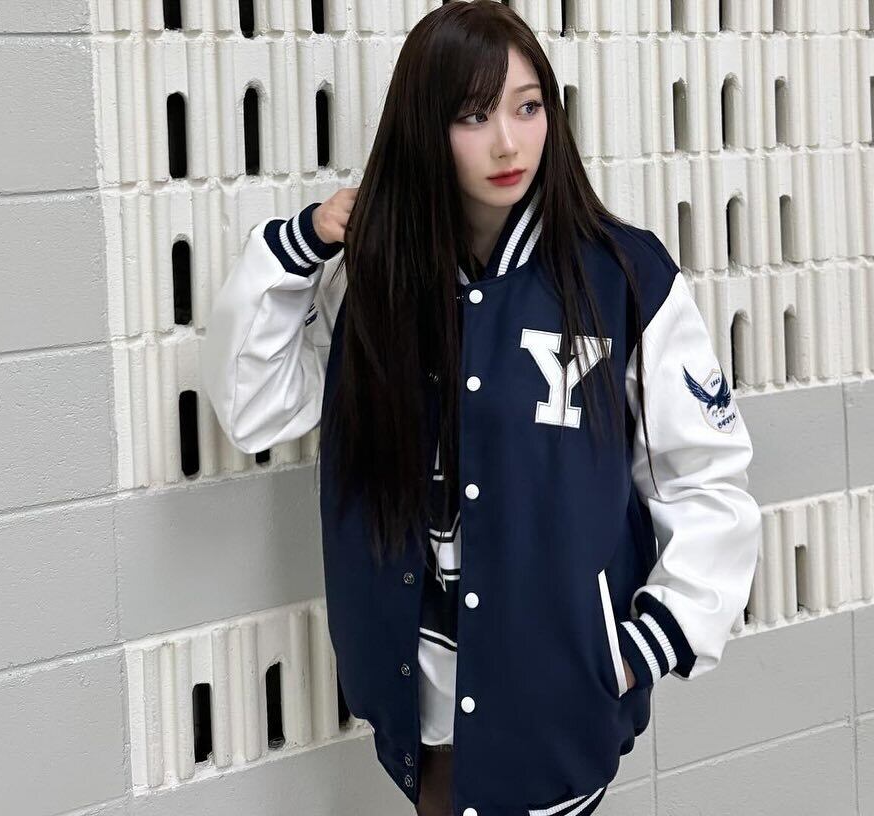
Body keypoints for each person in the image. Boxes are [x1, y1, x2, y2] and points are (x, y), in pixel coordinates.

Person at [200, 2, 762, 815]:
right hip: (419, 705)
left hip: (558, 706)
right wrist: (302, 244)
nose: (508, 142)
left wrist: (639, 647)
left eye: (527, 108)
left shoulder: (623, 276)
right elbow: (255, 409)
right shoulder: (378, 283)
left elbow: (706, 477)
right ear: (425, 129)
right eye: (473, 116)